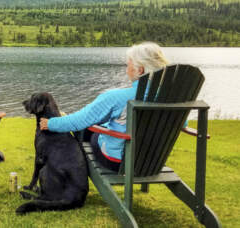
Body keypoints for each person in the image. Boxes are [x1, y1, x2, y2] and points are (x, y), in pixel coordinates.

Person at [39, 42, 169, 171]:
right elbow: (183, 123)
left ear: (139, 70)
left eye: (128, 64)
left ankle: (70, 172)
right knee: (102, 125)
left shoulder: (117, 97)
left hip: (119, 162)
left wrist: (51, 123)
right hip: (153, 161)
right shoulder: (170, 98)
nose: (126, 69)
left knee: (88, 132)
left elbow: (81, 120)